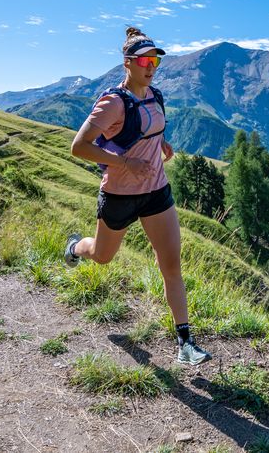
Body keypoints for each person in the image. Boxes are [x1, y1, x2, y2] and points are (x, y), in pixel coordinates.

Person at [64, 26, 210, 365]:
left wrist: (161, 144)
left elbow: (149, 131)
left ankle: (185, 343)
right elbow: (79, 147)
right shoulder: (112, 103)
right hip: (119, 196)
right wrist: (124, 161)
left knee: (171, 264)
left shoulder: (155, 96)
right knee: (102, 256)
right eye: (145, 60)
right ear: (128, 63)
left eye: (155, 60)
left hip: (156, 192)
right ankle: (74, 247)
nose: (151, 66)